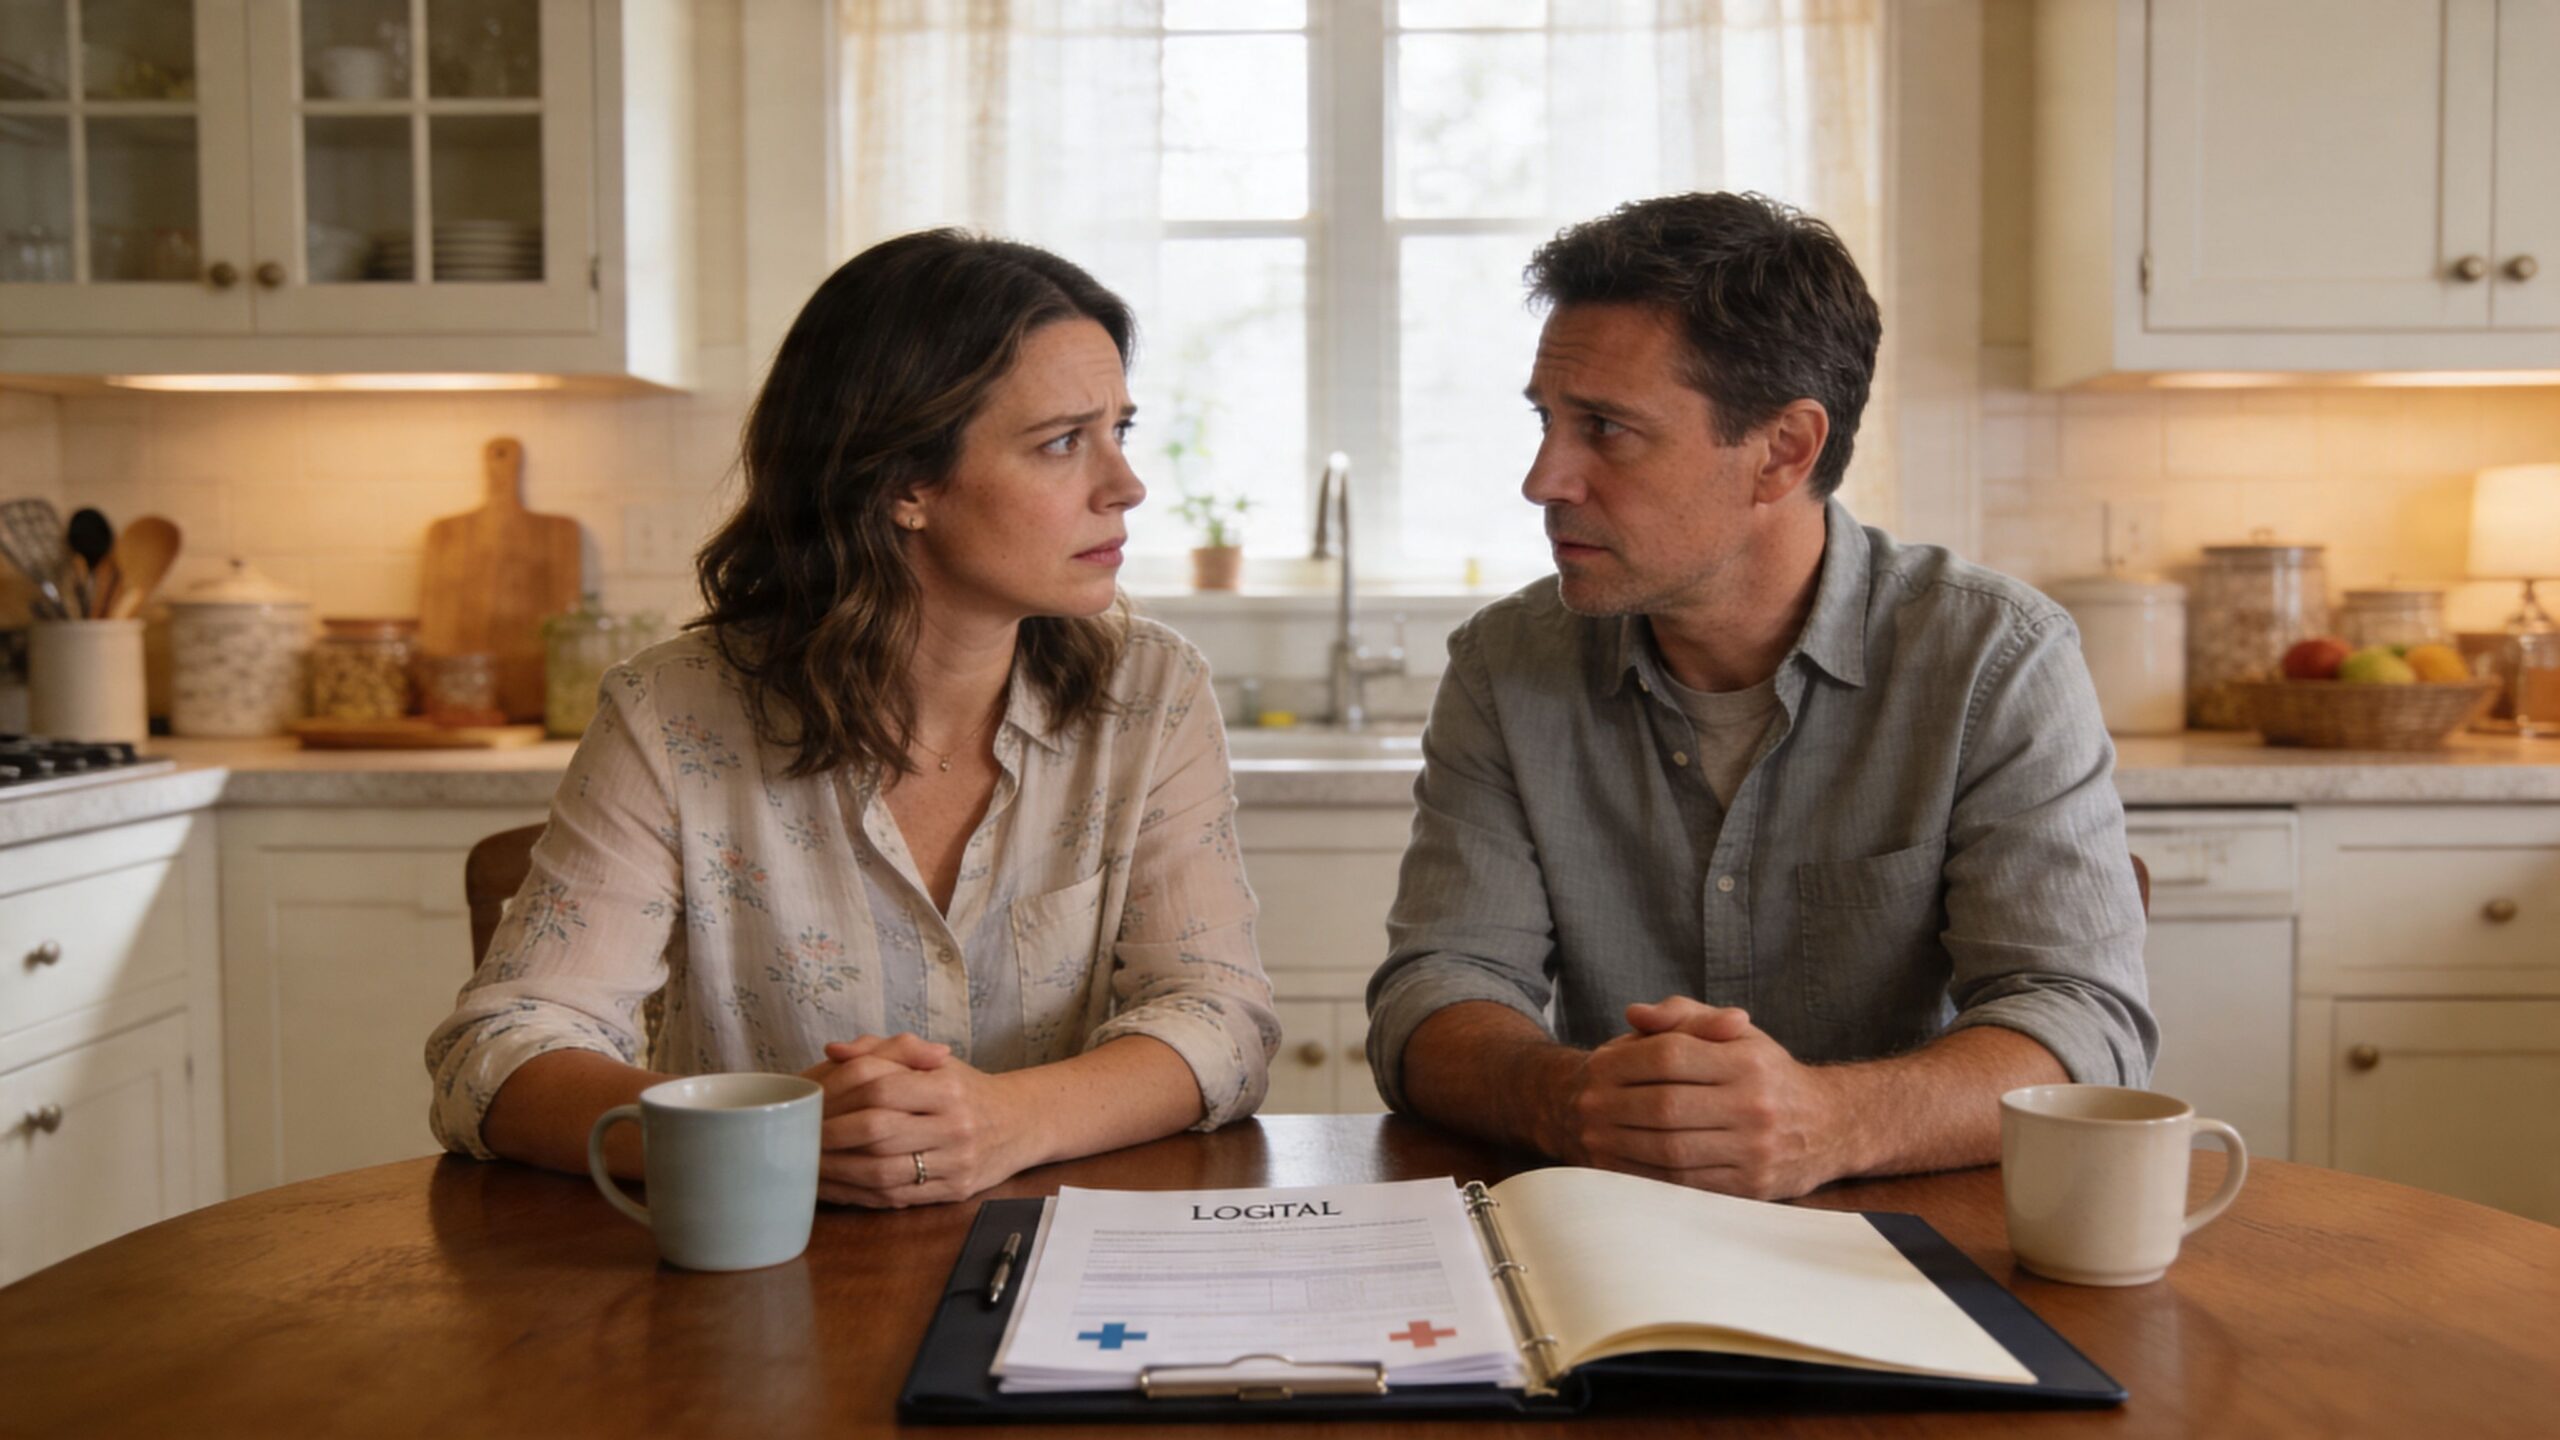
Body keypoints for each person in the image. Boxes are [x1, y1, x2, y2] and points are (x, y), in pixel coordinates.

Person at [426, 230, 1279, 1208]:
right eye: (1060, 442)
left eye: (1118, 430)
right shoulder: (672, 712)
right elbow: (493, 1056)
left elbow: (1221, 1015)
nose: (1125, 485)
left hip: (1055, 1272)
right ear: (900, 485)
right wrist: (764, 1137)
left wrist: (1010, 1119)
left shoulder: (1151, 694)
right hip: (756, 1284)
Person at [1365, 192, 2154, 1201]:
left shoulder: (1993, 657)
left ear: (1784, 450)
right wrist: (1566, 1099)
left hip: (1910, 1238)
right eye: (1547, 421)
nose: (1543, 478)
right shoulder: (1503, 666)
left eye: (1604, 429)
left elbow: (2083, 1021)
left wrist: (1825, 1122)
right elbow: (1438, 991)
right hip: (1614, 1230)